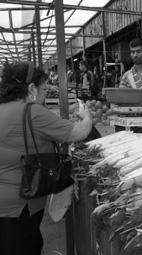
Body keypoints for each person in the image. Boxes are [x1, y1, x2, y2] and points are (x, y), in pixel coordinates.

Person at [0, 62, 92, 255]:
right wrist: (86, 116)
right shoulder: (30, 111)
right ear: (32, 89)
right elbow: (80, 132)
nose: (43, 95)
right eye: (42, 89)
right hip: (20, 206)